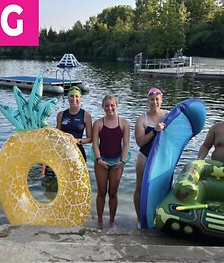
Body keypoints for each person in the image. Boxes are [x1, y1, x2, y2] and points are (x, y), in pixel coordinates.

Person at [92, 94, 130, 229]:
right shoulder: (98, 123)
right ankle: (100, 220)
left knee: (113, 193)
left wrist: (123, 161)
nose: (110, 108)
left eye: (112, 105)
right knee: (101, 192)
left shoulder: (124, 123)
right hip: (101, 161)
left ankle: (112, 221)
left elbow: (126, 144)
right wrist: (98, 159)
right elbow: (95, 144)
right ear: (103, 107)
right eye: (107, 105)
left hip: (117, 162)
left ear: (117, 106)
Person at [41, 86, 93, 181]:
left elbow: (90, 139)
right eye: (71, 96)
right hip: (62, 152)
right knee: (59, 181)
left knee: (76, 181)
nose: (74, 99)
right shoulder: (61, 115)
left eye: (76, 96)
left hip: (78, 153)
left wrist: (76, 140)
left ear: (80, 98)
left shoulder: (86, 115)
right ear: (68, 98)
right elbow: (56, 137)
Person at [133, 88, 168, 227]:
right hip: (145, 156)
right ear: (148, 101)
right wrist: (154, 131)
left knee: (162, 188)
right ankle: (140, 218)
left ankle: (159, 217)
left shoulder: (168, 116)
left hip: (161, 157)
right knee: (140, 188)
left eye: (157, 99)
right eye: (152, 99)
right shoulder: (142, 119)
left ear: (161, 100)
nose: (155, 102)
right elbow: (140, 142)